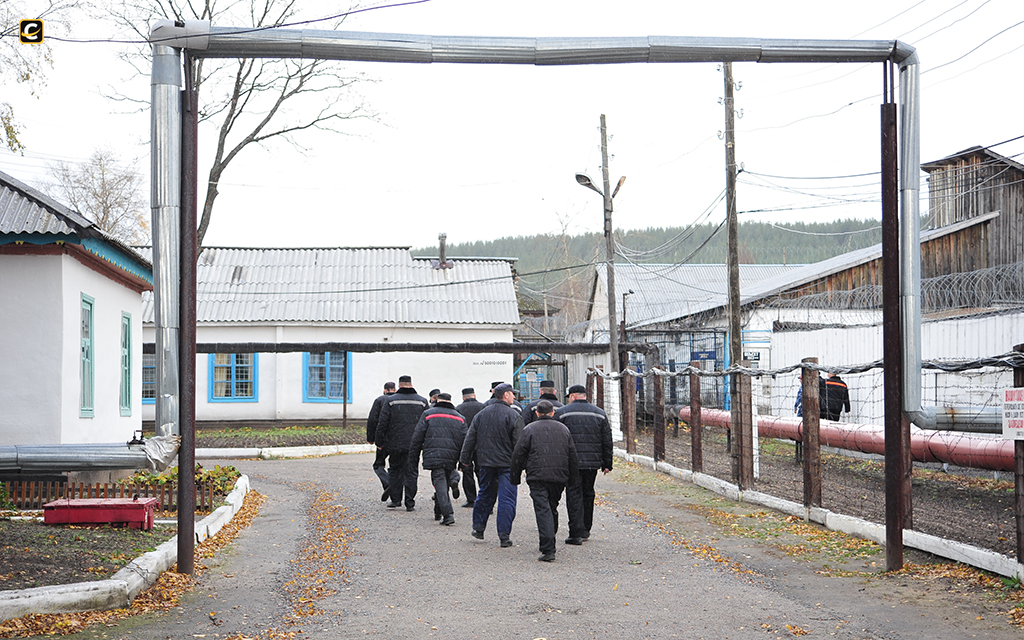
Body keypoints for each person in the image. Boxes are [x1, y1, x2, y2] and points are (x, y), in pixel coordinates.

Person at [510, 400, 579, 562]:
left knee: (543, 509)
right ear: (553, 413)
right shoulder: (563, 429)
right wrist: (573, 479)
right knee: (551, 506)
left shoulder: (529, 429)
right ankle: (551, 532)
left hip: (537, 475)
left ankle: (548, 548)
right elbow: (572, 455)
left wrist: (515, 477)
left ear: (537, 413)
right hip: (558, 475)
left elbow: (518, 454)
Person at [460, 383, 524, 548]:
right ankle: (504, 535)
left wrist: (464, 459)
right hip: (507, 465)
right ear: (505, 395)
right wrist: (522, 464)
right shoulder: (513, 416)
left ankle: (478, 528)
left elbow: (470, 438)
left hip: (486, 462)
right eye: (512, 394)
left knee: (485, 494)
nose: (514, 397)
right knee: (507, 499)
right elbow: (519, 444)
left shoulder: (481, 415)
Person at [555, 384, 612, 542]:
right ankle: (586, 528)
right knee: (588, 493)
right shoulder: (600, 414)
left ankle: (576, 531)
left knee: (574, 494)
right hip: (592, 463)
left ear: (572, 396)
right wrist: (607, 463)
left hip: (570, 462)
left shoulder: (561, 413)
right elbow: (607, 440)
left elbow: (556, 437)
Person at [409, 393, 467, 526]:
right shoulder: (460, 418)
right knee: (444, 482)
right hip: (452, 455)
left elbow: (418, 436)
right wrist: (464, 460)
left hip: (434, 454)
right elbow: (466, 440)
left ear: (437, 401)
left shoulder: (428, 414)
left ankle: (448, 514)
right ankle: (438, 511)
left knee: (439, 482)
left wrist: (413, 456)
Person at [376, 375, 429, 511]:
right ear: (411, 385)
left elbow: (383, 423)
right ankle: (410, 502)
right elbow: (427, 424)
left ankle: (396, 500)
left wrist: (380, 441)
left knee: (395, 470)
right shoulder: (422, 402)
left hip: (395, 443)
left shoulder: (391, 401)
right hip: (414, 445)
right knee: (411, 472)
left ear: (399, 386)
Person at [455, 387, 485, 508]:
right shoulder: (483, 407)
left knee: (467, 472)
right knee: (481, 472)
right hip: (481, 444)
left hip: (465, 444)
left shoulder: (458, 409)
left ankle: (471, 499)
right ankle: (485, 497)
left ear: (463, 397)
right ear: (475, 395)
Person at [366, 381, 396, 501]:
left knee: (378, 464)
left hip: (383, 438)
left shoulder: (379, 400)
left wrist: (371, 438)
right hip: (397, 439)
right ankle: (396, 496)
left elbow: (373, 420)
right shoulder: (398, 400)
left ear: (385, 390)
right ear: (395, 389)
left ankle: (387, 482)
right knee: (395, 466)